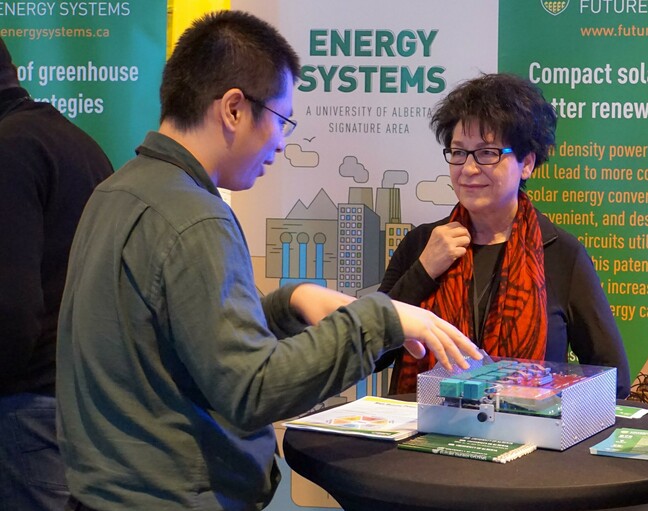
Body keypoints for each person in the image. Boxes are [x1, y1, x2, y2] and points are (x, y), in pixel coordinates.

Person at [56, 11, 480, 511]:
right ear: (234, 108)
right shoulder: (195, 218)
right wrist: (378, 318)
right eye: (282, 120)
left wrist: (289, 303)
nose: (282, 142)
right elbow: (251, 388)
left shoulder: (118, 190)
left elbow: (189, 341)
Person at [375, 73, 630, 399]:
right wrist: (422, 272)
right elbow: (372, 354)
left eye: (487, 153)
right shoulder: (422, 244)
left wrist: (546, 406)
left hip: (528, 441)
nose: (467, 169)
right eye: (458, 152)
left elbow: (614, 379)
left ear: (527, 163)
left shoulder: (560, 253)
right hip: (421, 439)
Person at [0, 38, 113, 511]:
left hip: (28, 410)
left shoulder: (10, 151)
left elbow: (13, 313)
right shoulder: (78, 142)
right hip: (87, 404)